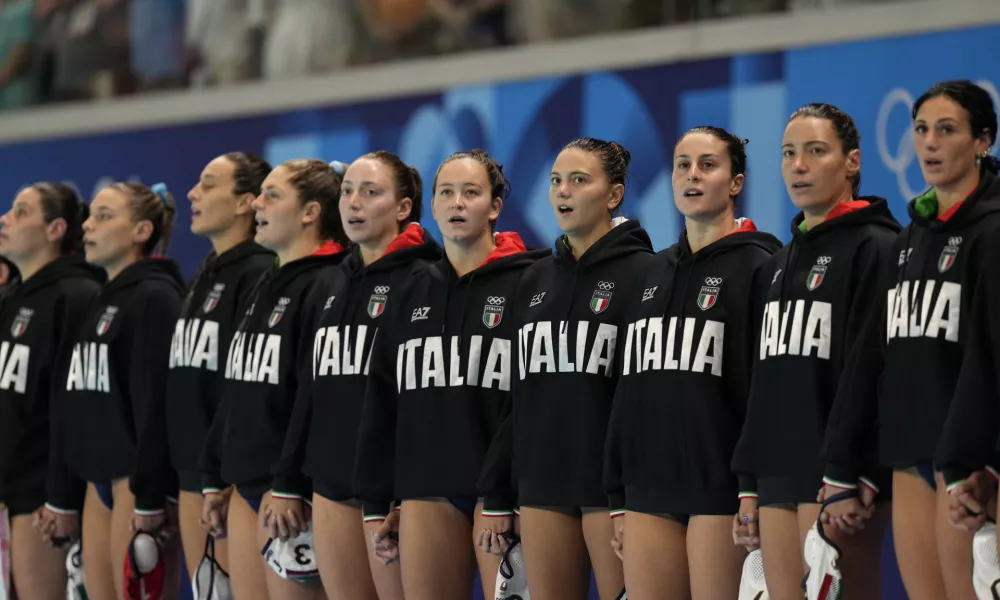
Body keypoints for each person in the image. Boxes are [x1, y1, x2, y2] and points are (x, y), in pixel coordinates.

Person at [824, 79, 1000, 600]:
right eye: (921, 129)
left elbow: (989, 358)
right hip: (910, 457)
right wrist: (843, 460)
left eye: (947, 130)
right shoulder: (909, 238)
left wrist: (979, 461)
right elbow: (873, 356)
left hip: (969, 460)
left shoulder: (992, 234)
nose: (930, 143)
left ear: (983, 140)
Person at [353, 149, 548, 600]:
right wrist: (379, 499)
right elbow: (383, 396)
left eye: (470, 192)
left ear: (494, 207)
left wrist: (502, 490)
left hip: (503, 494)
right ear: (433, 207)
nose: (457, 203)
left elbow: (531, 399)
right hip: (428, 489)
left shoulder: (529, 284)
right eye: (446, 193)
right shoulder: (410, 289)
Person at [602, 126, 780, 599]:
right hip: (647, 490)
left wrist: (752, 483)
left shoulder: (763, 266)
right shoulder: (649, 272)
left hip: (721, 488)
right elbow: (627, 387)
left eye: (707, 165)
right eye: (683, 165)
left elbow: (768, 388)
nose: (692, 175)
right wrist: (617, 492)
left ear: (736, 182)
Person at [731, 105, 898, 600]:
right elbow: (762, 383)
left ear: (852, 162)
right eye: (788, 153)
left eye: (815, 151)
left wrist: (850, 468)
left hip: (838, 475)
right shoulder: (777, 265)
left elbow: (873, 372)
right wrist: (749, 481)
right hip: (778, 471)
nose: (798, 165)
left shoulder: (877, 247)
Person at [269, 151, 438, 600]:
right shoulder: (332, 282)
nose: (354, 203)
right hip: (329, 481)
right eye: (347, 192)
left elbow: (425, 399)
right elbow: (310, 387)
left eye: (371, 192)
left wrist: (408, 493)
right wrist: (289, 479)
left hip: (390, 486)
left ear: (403, 208)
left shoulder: (425, 279)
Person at [508, 137, 656, 600]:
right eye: (555, 181)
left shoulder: (646, 274)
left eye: (578, 180)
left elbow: (644, 396)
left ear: (613, 195)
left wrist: (629, 492)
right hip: (542, 482)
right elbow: (518, 398)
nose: (562, 192)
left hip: (609, 491)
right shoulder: (533, 278)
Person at [200, 158, 349, 600]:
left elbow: (314, 395)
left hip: (287, 494)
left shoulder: (328, 283)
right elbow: (239, 384)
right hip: (246, 483)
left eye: (273, 195)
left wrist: (289, 484)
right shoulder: (269, 280)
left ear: (311, 212)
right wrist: (215, 471)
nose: (257, 205)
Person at [54, 181, 184, 600]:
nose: (89, 225)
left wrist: (149, 496)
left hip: (134, 481)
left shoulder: (156, 296)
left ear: (141, 231)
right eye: (91, 216)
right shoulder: (102, 298)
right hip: (99, 481)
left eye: (105, 217)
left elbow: (156, 406)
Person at [162, 153, 274, 580]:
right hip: (193, 471)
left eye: (209, 184)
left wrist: (221, 475)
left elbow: (246, 386)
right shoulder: (204, 275)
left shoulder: (259, 272)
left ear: (246, 201)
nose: (193, 192)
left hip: (229, 478)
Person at [0, 183, 102, 600]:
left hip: (41, 495)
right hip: (11, 488)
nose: (5, 218)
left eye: (21, 211)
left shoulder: (75, 297)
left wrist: (59, 495)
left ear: (55, 228)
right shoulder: (16, 298)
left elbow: (72, 405)